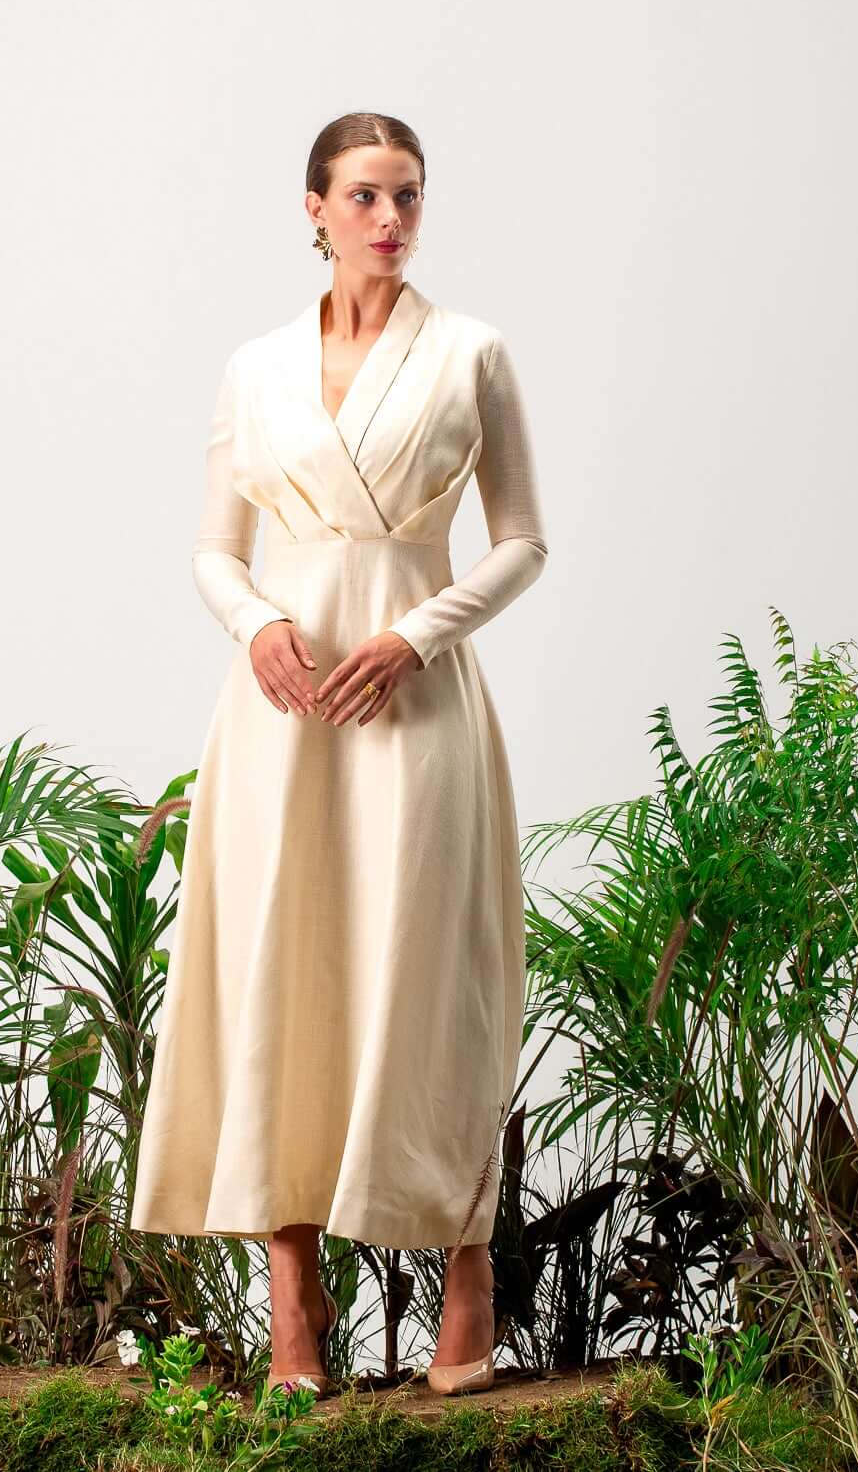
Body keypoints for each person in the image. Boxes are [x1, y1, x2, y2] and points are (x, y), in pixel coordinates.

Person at [130, 112, 549, 1397]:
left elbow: (522, 539)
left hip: (415, 704)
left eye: (407, 195)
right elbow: (215, 549)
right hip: (284, 711)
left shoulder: (471, 353)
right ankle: (292, 1304)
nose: (389, 218)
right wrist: (256, 623)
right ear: (311, 208)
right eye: (364, 195)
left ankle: (467, 1278)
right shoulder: (254, 367)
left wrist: (419, 634)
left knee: (431, 978)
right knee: (282, 974)